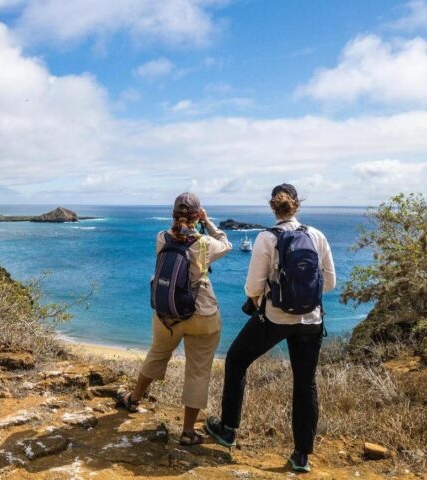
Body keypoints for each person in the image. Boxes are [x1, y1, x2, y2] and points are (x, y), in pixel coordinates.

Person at [205, 184, 336, 472]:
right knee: (305, 383)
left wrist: (264, 300)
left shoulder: (267, 238)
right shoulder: (317, 236)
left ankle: (228, 429)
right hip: (311, 321)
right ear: (297, 205)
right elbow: (329, 283)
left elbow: (253, 287)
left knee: (238, 359)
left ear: (272, 207)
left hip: (275, 318)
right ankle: (301, 456)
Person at [117, 192, 232, 446]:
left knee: (157, 354)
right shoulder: (204, 244)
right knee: (198, 371)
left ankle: (134, 399)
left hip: (167, 314)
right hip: (203, 315)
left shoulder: (161, 238)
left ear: (173, 215)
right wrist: (209, 222)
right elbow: (226, 243)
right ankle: (188, 432)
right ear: (197, 215)